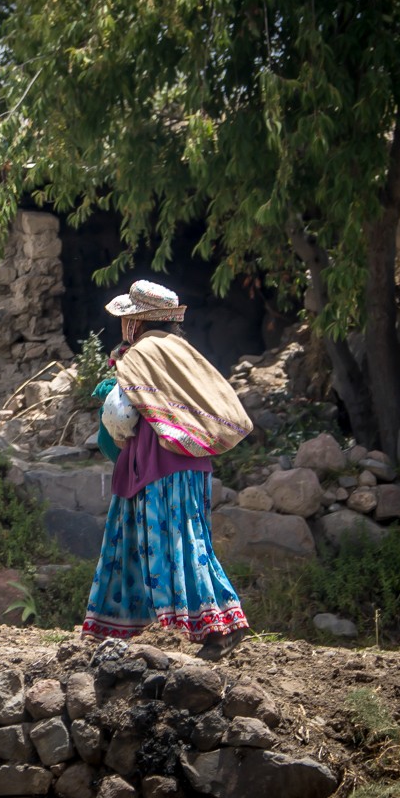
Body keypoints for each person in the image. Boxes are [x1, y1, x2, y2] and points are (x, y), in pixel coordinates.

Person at [80, 280, 251, 661]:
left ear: (136, 322)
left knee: (175, 541)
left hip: (156, 463)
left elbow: (122, 415)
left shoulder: (142, 354)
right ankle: (118, 629)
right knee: (154, 537)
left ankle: (223, 626)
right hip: (188, 463)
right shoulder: (182, 352)